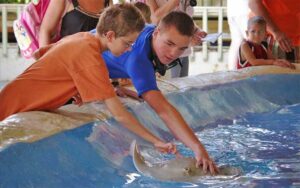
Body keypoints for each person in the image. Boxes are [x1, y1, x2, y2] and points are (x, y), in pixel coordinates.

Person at [0, 4, 176, 154]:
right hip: (11, 109)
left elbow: (43, 54)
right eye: (128, 43)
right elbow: (120, 115)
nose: (130, 49)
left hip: (9, 97)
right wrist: (155, 141)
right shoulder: (91, 57)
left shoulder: (82, 38)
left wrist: (75, 86)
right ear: (110, 36)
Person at [98, 11, 219, 174]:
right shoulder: (138, 61)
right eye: (169, 44)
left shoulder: (154, 32)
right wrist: (198, 148)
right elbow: (164, 110)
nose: (173, 53)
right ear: (156, 33)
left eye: (182, 48)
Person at [144, 0, 206, 78]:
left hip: (183, 50)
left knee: (183, 87)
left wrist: (196, 30)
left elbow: (183, 19)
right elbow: (155, 19)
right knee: (169, 86)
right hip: (165, 53)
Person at [39, 0, 112, 47]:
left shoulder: (108, 2)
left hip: (93, 66)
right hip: (65, 64)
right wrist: (46, 65)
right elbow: (45, 31)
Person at [227, 0, 249, 70]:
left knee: (236, 42)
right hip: (246, 9)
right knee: (251, 42)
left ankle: (232, 72)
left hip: (233, 9)